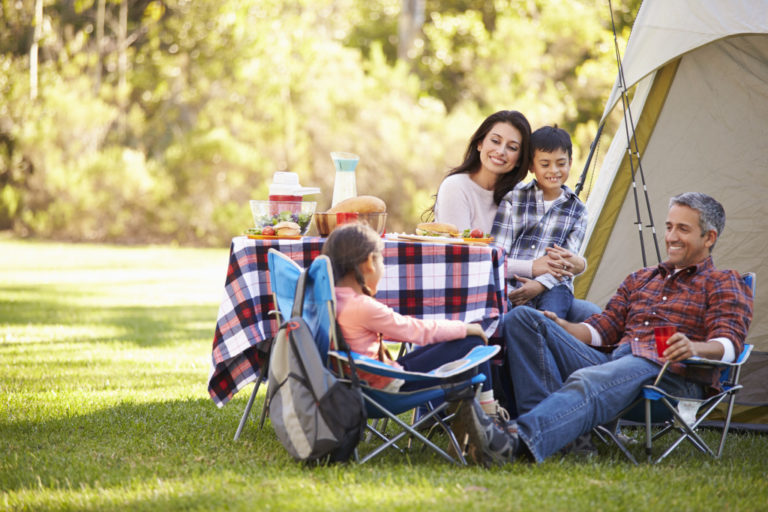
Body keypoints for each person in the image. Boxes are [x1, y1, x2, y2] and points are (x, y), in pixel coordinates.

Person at [499, 192, 753, 463]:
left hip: (669, 374)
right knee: (522, 319)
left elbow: (729, 343)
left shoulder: (724, 282)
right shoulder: (641, 278)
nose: (671, 237)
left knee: (590, 379)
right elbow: (604, 328)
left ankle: (514, 441)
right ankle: (565, 439)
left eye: (683, 229)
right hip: (615, 361)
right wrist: (562, 326)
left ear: (709, 238)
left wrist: (693, 347)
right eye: (669, 227)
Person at [321, 222, 515, 466]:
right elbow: (414, 331)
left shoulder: (330, 299)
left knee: (459, 341)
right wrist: (465, 327)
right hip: (384, 390)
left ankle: (472, 424)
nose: (383, 268)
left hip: (363, 382)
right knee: (472, 340)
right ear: (369, 262)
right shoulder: (361, 306)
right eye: (382, 262)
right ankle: (488, 423)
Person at [491, 125, 590, 319]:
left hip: (553, 286)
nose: (554, 171)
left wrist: (539, 284)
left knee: (548, 324)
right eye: (545, 164)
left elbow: (567, 262)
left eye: (561, 163)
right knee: (508, 319)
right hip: (510, 284)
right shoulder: (514, 199)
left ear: (570, 162)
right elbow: (496, 255)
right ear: (531, 166)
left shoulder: (578, 211)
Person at [427, 110, 532, 234]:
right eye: (495, 141)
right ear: (480, 143)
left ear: (520, 159)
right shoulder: (455, 186)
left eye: (512, 147)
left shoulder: (523, 196)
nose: (501, 151)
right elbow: (460, 248)